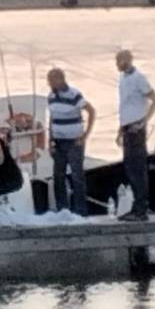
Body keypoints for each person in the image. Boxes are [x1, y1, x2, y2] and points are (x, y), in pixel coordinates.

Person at [115, 49, 155, 222]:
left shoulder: (138, 78)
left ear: (128, 60)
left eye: (120, 60)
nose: (117, 63)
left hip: (136, 128)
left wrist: (144, 120)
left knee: (138, 168)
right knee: (130, 168)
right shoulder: (123, 79)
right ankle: (136, 206)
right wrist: (119, 130)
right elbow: (125, 106)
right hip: (127, 126)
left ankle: (141, 209)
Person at [46, 67, 95, 215]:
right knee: (58, 176)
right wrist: (51, 140)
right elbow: (52, 118)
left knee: (77, 175)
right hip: (58, 141)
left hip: (74, 141)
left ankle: (81, 210)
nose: (50, 83)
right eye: (49, 80)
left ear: (60, 79)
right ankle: (63, 209)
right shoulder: (51, 97)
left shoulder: (74, 95)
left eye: (52, 80)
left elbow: (91, 111)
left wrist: (85, 135)